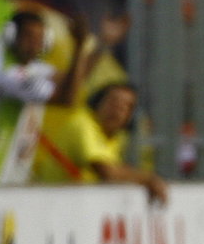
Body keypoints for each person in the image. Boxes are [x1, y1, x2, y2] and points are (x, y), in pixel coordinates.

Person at [30, 21, 167, 202]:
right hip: (47, 205)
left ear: (130, 118)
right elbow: (108, 172)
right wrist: (148, 178)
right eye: (112, 102)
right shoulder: (82, 125)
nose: (117, 110)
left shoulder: (114, 137)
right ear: (97, 104)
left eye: (125, 107)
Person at [0, 9, 58, 185]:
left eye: (39, 39)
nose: (34, 45)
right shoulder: (1, 69)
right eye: (28, 38)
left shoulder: (36, 69)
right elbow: (64, 95)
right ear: (11, 36)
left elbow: (67, 82)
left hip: (9, 168)